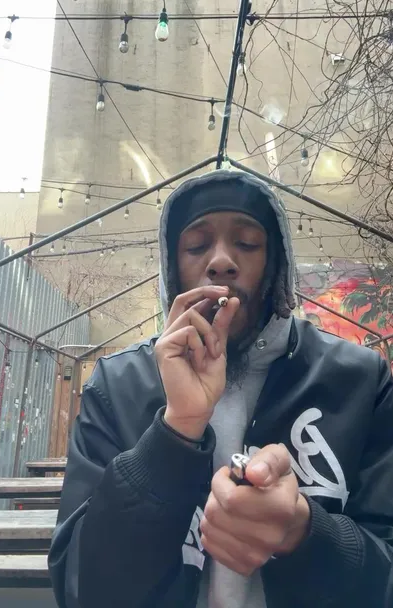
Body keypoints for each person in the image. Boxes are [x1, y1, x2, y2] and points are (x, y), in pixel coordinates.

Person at [48, 169, 393, 608]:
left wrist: (305, 534)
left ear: (275, 267)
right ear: (173, 270)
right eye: (196, 246)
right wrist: (176, 432)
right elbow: (81, 589)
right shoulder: (117, 384)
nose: (222, 261)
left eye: (247, 243)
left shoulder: (359, 379)